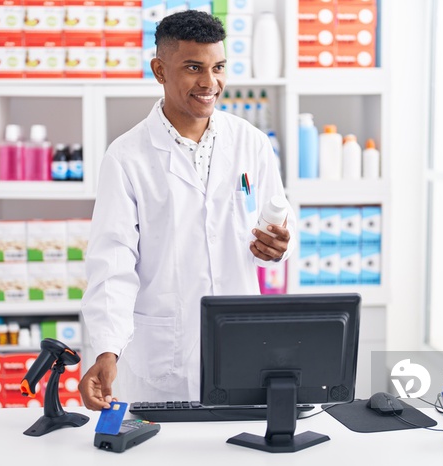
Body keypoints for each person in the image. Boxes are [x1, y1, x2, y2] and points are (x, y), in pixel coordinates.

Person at [78, 10, 296, 411]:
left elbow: (279, 221)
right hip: (162, 362)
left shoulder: (251, 144)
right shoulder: (127, 157)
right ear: (160, 70)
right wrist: (107, 349)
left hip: (240, 348)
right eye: (193, 68)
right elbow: (112, 263)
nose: (209, 83)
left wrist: (281, 244)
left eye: (218, 67)